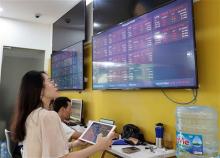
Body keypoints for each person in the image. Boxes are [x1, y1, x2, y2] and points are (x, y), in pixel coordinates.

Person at [10, 70, 114, 158]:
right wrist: (98, 146)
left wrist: (74, 144)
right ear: (40, 90)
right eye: (50, 81)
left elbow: (47, 150)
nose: (55, 84)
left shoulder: (32, 115)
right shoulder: (48, 116)